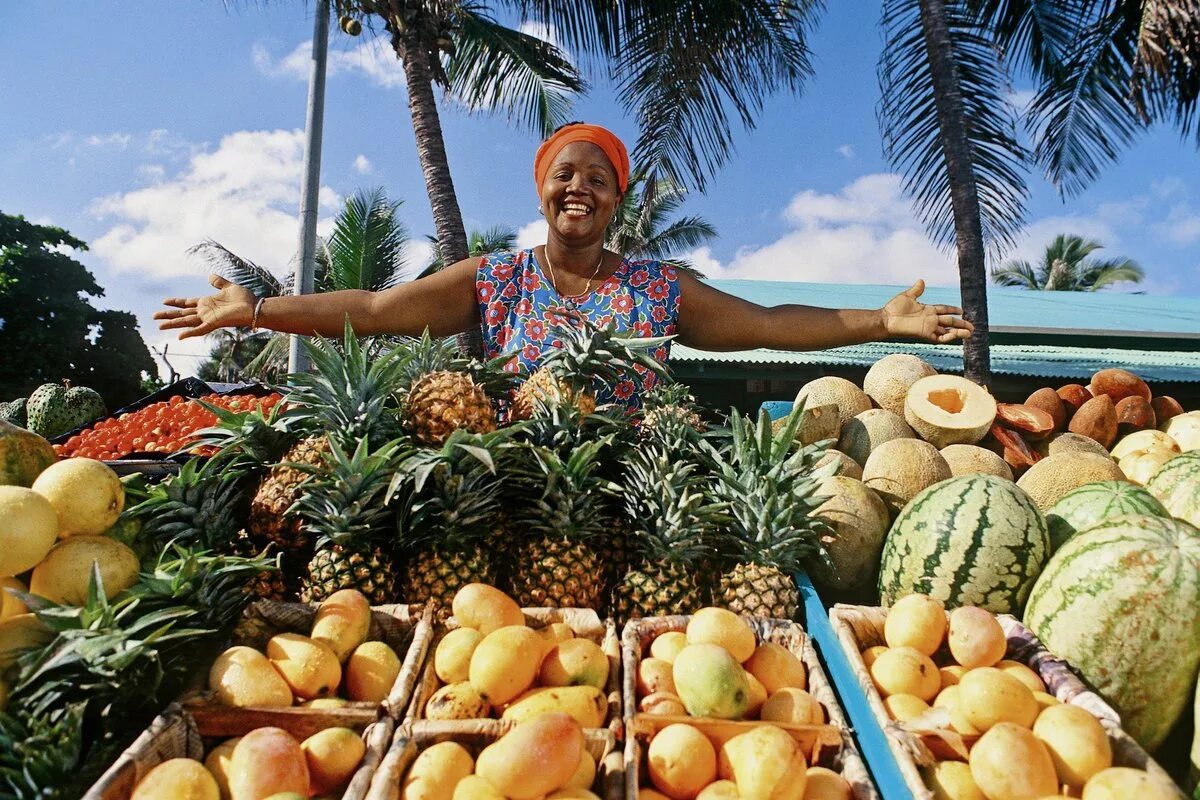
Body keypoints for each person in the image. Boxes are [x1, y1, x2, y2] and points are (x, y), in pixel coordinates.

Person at [157, 122, 973, 410]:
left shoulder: (660, 287)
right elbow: (373, 311)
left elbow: (766, 326)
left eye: (598, 177)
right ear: (543, 192)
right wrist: (258, 310)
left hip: (640, 492)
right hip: (519, 486)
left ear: (617, 200)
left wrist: (880, 320)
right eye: (565, 174)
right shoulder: (493, 279)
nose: (579, 186)